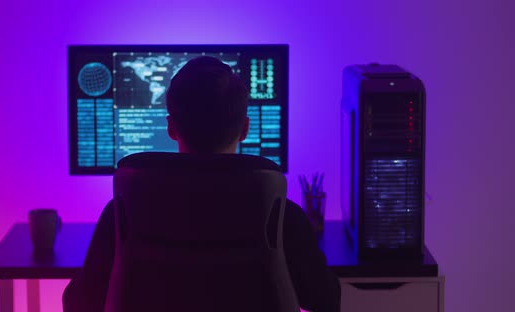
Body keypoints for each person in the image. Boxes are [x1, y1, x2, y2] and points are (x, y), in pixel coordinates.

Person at [63, 56, 341, 312]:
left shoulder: (124, 212)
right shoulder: (280, 216)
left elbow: (79, 302)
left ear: (171, 128)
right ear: (245, 128)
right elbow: (324, 299)